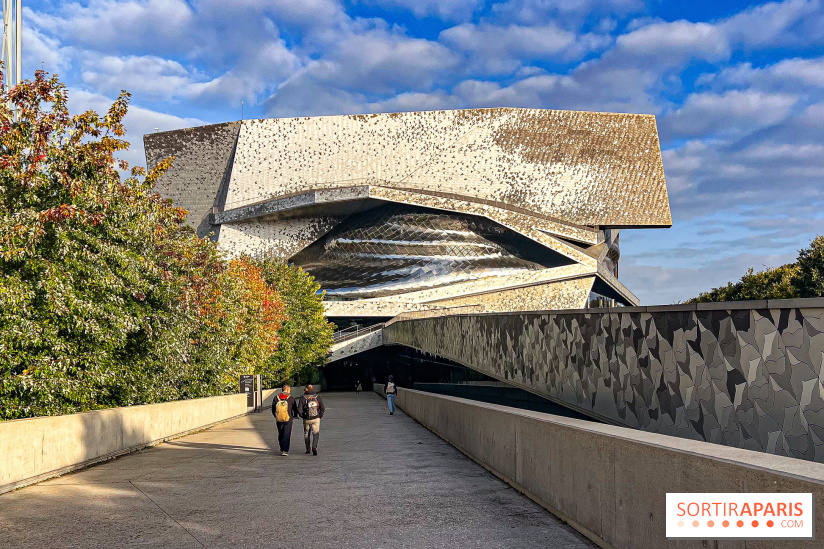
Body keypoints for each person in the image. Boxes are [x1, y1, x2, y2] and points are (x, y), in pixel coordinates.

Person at [298, 384, 325, 455]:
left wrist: (303, 416)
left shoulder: (303, 397)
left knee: (306, 433)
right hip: (316, 418)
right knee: (316, 433)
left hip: (307, 419)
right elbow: (322, 407)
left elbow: (299, 409)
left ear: (306, 389)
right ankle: (314, 446)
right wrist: (319, 416)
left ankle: (308, 449)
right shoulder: (317, 397)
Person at [272, 384, 299, 456]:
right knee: (287, 434)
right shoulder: (291, 398)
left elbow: (273, 409)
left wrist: (276, 416)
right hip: (288, 419)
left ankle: (281, 448)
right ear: (287, 390)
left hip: (279, 419)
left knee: (280, 433)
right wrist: (295, 415)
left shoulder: (276, 397)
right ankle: (285, 450)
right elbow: (295, 408)